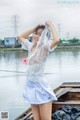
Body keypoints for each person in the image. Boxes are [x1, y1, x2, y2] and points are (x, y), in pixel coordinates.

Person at [19, 20, 59, 120]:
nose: (37, 36)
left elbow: (56, 40)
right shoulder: (30, 46)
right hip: (30, 85)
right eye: (36, 34)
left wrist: (50, 24)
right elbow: (21, 36)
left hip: (41, 87)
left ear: (45, 36)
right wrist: (35, 27)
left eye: (40, 34)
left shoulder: (45, 47)